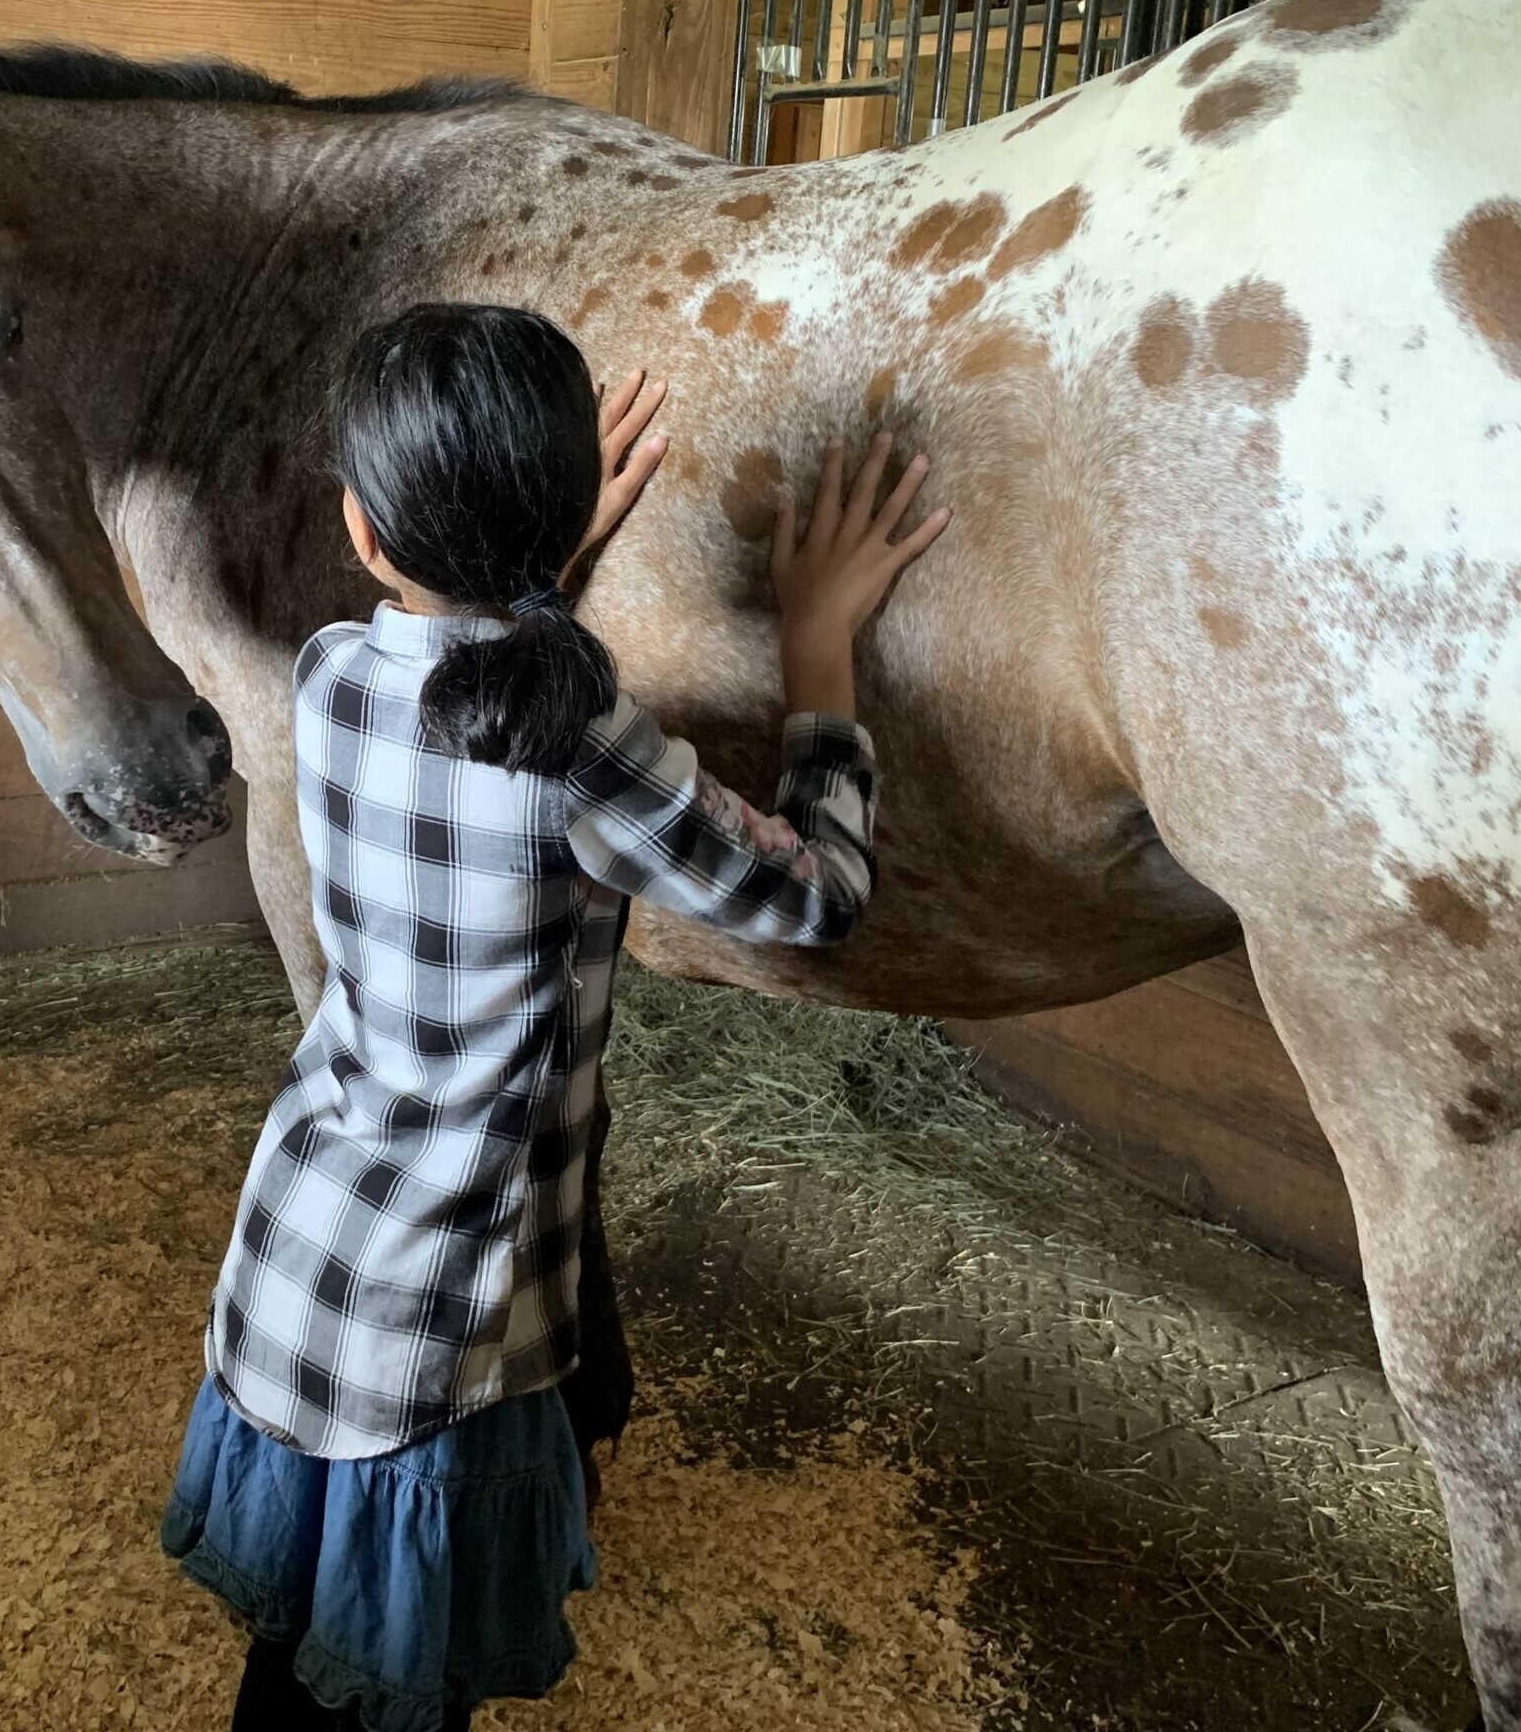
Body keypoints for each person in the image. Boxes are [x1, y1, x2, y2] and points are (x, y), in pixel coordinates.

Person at [161, 302, 951, 1732]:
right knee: (387, 1690)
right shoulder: (586, 758)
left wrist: (538, 552)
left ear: (362, 528)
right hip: (440, 1325)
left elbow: (473, 681)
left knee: (301, 1668)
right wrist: (819, 645)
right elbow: (818, 897)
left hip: (301, 1255)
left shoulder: (329, 675)